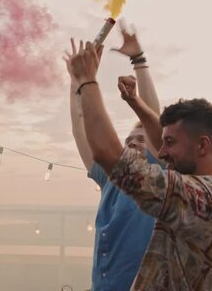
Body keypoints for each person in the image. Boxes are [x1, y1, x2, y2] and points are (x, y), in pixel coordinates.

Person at [68, 41, 212, 290]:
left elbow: (106, 152)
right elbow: (158, 142)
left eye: (170, 143)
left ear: (202, 146)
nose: (161, 152)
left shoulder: (195, 199)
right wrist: (135, 101)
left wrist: (86, 80)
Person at [64, 21, 159, 291]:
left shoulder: (159, 179)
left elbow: (153, 117)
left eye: (143, 140)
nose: (134, 142)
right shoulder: (108, 178)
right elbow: (79, 127)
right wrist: (77, 82)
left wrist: (139, 61)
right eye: (130, 139)